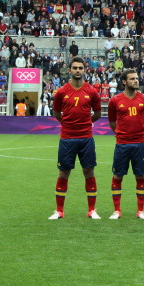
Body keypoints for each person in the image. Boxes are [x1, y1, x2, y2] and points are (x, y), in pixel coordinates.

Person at [49, 56, 102, 219]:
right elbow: (57, 113)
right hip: (67, 138)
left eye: (80, 68)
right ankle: (59, 211)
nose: (78, 70)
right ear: (69, 70)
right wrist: (69, 124)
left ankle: (92, 210)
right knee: (63, 173)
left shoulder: (92, 91)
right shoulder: (62, 92)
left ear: (84, 70)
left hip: (86, 138)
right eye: (75, 68)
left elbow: (98, 113)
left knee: (89, 172)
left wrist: (85, 123)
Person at [107, 69, 144, 220]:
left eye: (137, 78)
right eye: (132, 79)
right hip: (122, 144)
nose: (136, 80)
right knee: (118, 176)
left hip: (139, 143)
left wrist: (137, 131)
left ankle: (140, 211)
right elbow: (113, 122)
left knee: (140, 176)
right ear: (124, 82)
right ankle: (117, 210)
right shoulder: (115, 100)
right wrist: (122, 133)